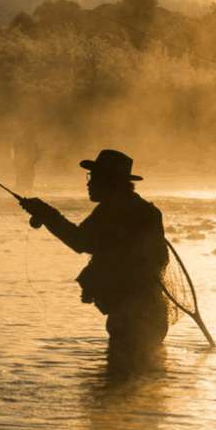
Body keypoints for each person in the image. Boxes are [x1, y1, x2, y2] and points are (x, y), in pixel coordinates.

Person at [19, 149, 169, 374]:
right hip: (151, 314)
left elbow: (80, 242)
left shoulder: (113, 210)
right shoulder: (145, 210)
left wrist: (47, 213)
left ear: (109, 181)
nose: (89, 184)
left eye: (94, 178)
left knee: (118, 387)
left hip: (131, 317)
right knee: (139, 386)